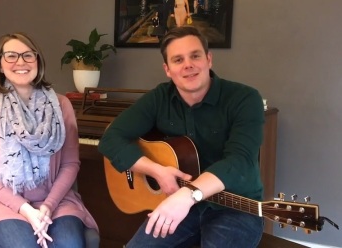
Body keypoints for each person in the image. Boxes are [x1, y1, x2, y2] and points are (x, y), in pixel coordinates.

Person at [98, 26, 265, 248]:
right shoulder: (160, 98)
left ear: (208, 59)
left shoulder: (245, 99)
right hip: (177, 202)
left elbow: (240, 161)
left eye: (195, 56)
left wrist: (189, 194)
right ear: (167, 69)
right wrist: (157, 171)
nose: (188, 65)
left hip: (235, 207)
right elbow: (111, 138)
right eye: (178, 60)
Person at [0, 32, 98, 248]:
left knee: (70, 245)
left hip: (56, 200)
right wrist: (27, 210)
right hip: (3, 203)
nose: (21, 62)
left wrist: (48, 206)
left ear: (38, 61)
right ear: (0, 65)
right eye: (11, 56)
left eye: (28, 55)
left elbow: (70, 164)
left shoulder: (62, 105)